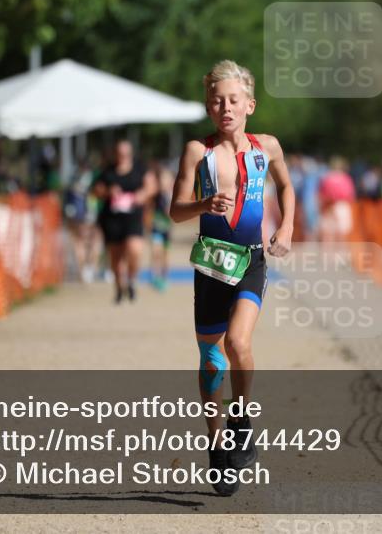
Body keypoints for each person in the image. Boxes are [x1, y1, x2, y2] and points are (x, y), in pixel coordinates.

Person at [169, 60, 295, 496]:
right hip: (212, 265)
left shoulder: (267, 147)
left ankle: (240, 419)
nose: (225, 108)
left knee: (238, 343)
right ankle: (217, 441)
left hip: (251, 261)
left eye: (233, 100)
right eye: (217, 101)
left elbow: (286, 186)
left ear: (249, 105)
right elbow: (175, 211)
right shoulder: (197, 152)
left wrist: (287, 227)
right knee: (212, 360)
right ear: (208, 107)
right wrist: (203, 206)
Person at [92, 140, 156, 304]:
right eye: (120, 154)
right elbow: (96, 190)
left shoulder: (140, 168)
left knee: (134, 249)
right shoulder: (107, 171)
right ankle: (119, 287)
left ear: (130, 153)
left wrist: (142, 194)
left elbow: (152, 186)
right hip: (112, 218)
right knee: (116, 257)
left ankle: (132, 280)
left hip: (133, 216)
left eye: (126, 153)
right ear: (115, 154)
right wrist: (108, 191)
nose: (123, 157)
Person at [64, 156, 101, 283]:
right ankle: (90, 268)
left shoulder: (73, 179)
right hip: (89, 214)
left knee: (79, 241)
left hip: (75, 215)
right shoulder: (92, 178)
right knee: (92, 241)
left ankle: (83, 271)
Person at [148, 161, 174, 292]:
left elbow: (172, 213)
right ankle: (155, 276)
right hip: (156, 228)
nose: (164, 181)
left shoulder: (172, 195)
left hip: (167, 229)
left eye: (167, 178)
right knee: (155, 251)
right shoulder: (156, 194)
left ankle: (164, 277)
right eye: (162, 178)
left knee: (166, 254)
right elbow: (149, 208)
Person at [318, 156, 356, 242]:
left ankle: (328, 249)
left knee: (328, 232)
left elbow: (321, 193)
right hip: (341, 205)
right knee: (341, 231)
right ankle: (339, 248)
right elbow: (350, 194)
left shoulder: (327, 178)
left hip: (328, 206)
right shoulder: (345, 178)